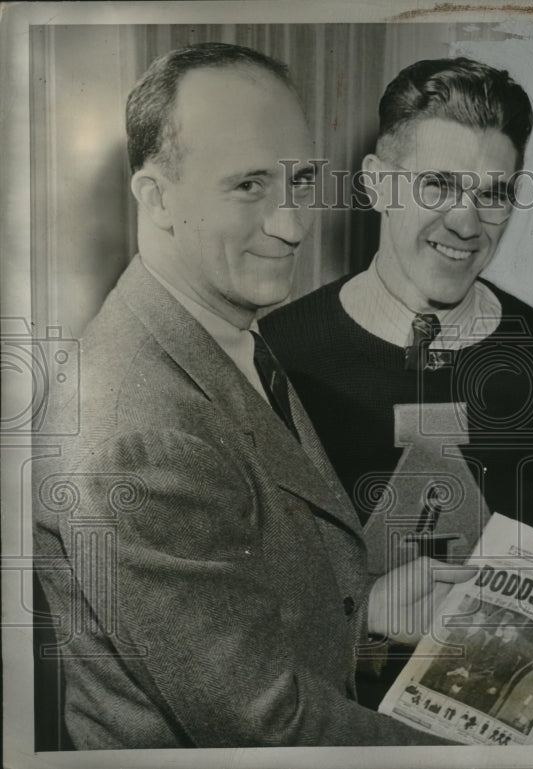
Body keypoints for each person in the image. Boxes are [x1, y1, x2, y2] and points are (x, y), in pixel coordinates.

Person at [31, 42, 468, 749]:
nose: (293, 224)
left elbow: (230, 618)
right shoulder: (139, 434)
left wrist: (368, 611)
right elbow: (272, 724)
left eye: (299, 181)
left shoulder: (214, 327)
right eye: (249, 186)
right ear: (156, 197)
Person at [261, 57, 533, 707]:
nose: (466, 223)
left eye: (492, 193)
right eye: (437, 184)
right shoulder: (281, 356)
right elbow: (246, 606)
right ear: (378, 184)